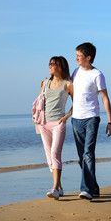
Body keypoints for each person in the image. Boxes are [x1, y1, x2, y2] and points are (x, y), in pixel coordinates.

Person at [71, 42, 111, 200]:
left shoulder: (97, 75)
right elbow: (67, 89)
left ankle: (86, 189)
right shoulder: (75, 72)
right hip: (76, 119)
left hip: (91, 118)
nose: (75, 58)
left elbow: (104, 97)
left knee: (88, 154)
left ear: (88, 58)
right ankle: (94, 187)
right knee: (82, 156)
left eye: (79, 56)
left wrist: (110, 122)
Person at [33, 56, 73, 200]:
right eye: (49, 63)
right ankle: (60, 187)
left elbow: (77, 103)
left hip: (58, 123)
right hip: (43, 123)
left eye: (52, 64)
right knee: (49, 156)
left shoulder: (68, 84)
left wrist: (66, 117)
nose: (49, 66)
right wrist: (35, 116)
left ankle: (54, 188)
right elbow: (39, 101)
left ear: (60, 66)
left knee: (55, 153)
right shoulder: (45, 83)